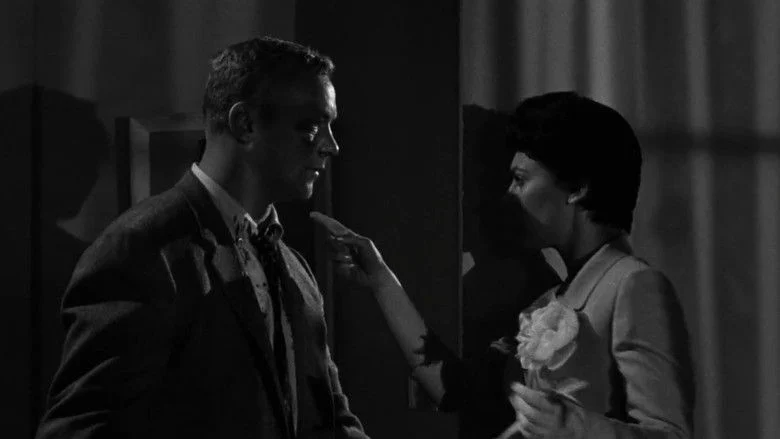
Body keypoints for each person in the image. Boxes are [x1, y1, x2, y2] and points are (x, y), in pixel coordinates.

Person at [36, 36, 369, 439]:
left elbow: (332, 421)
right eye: (312, 127)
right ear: (245, 124)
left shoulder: (297, 271)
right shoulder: (141, 251)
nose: (332, 146)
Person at [311, 91, 694, 438]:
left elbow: (670, 434)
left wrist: (575, 427)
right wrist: (381, 278)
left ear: (577, 187)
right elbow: (459, 390)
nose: (508, 196)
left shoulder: (634, 284)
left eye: (520, 180)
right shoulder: (545, 303)